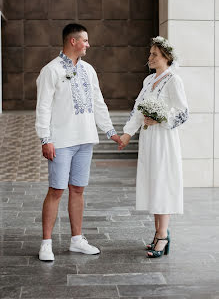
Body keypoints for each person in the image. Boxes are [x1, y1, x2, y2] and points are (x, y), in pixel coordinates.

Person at [35, 23, 122, 261]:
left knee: (78, 189)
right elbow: (42, 107)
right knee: (56, 190)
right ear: (73, 41)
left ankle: (76, 240)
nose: (88, 44)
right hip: (60, 141)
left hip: (85, 140)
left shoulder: (89, 70)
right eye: (85, 40)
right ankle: (46, 243)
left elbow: (98, 102)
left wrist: (110, 131)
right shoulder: (51, 70)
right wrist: (45, 138)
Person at [119, 36, 189, 258]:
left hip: (165, 139)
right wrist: (127, 134)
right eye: (150, 54)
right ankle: (159, 233)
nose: (149, 58)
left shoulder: (174, 80)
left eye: (154, 55)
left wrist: (160, 118)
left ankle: (163, 236)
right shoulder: (148, 81)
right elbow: (138, 109)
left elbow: (183, 112)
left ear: (166, 58)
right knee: (153, 184)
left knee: (163, 183)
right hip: (149, 140)